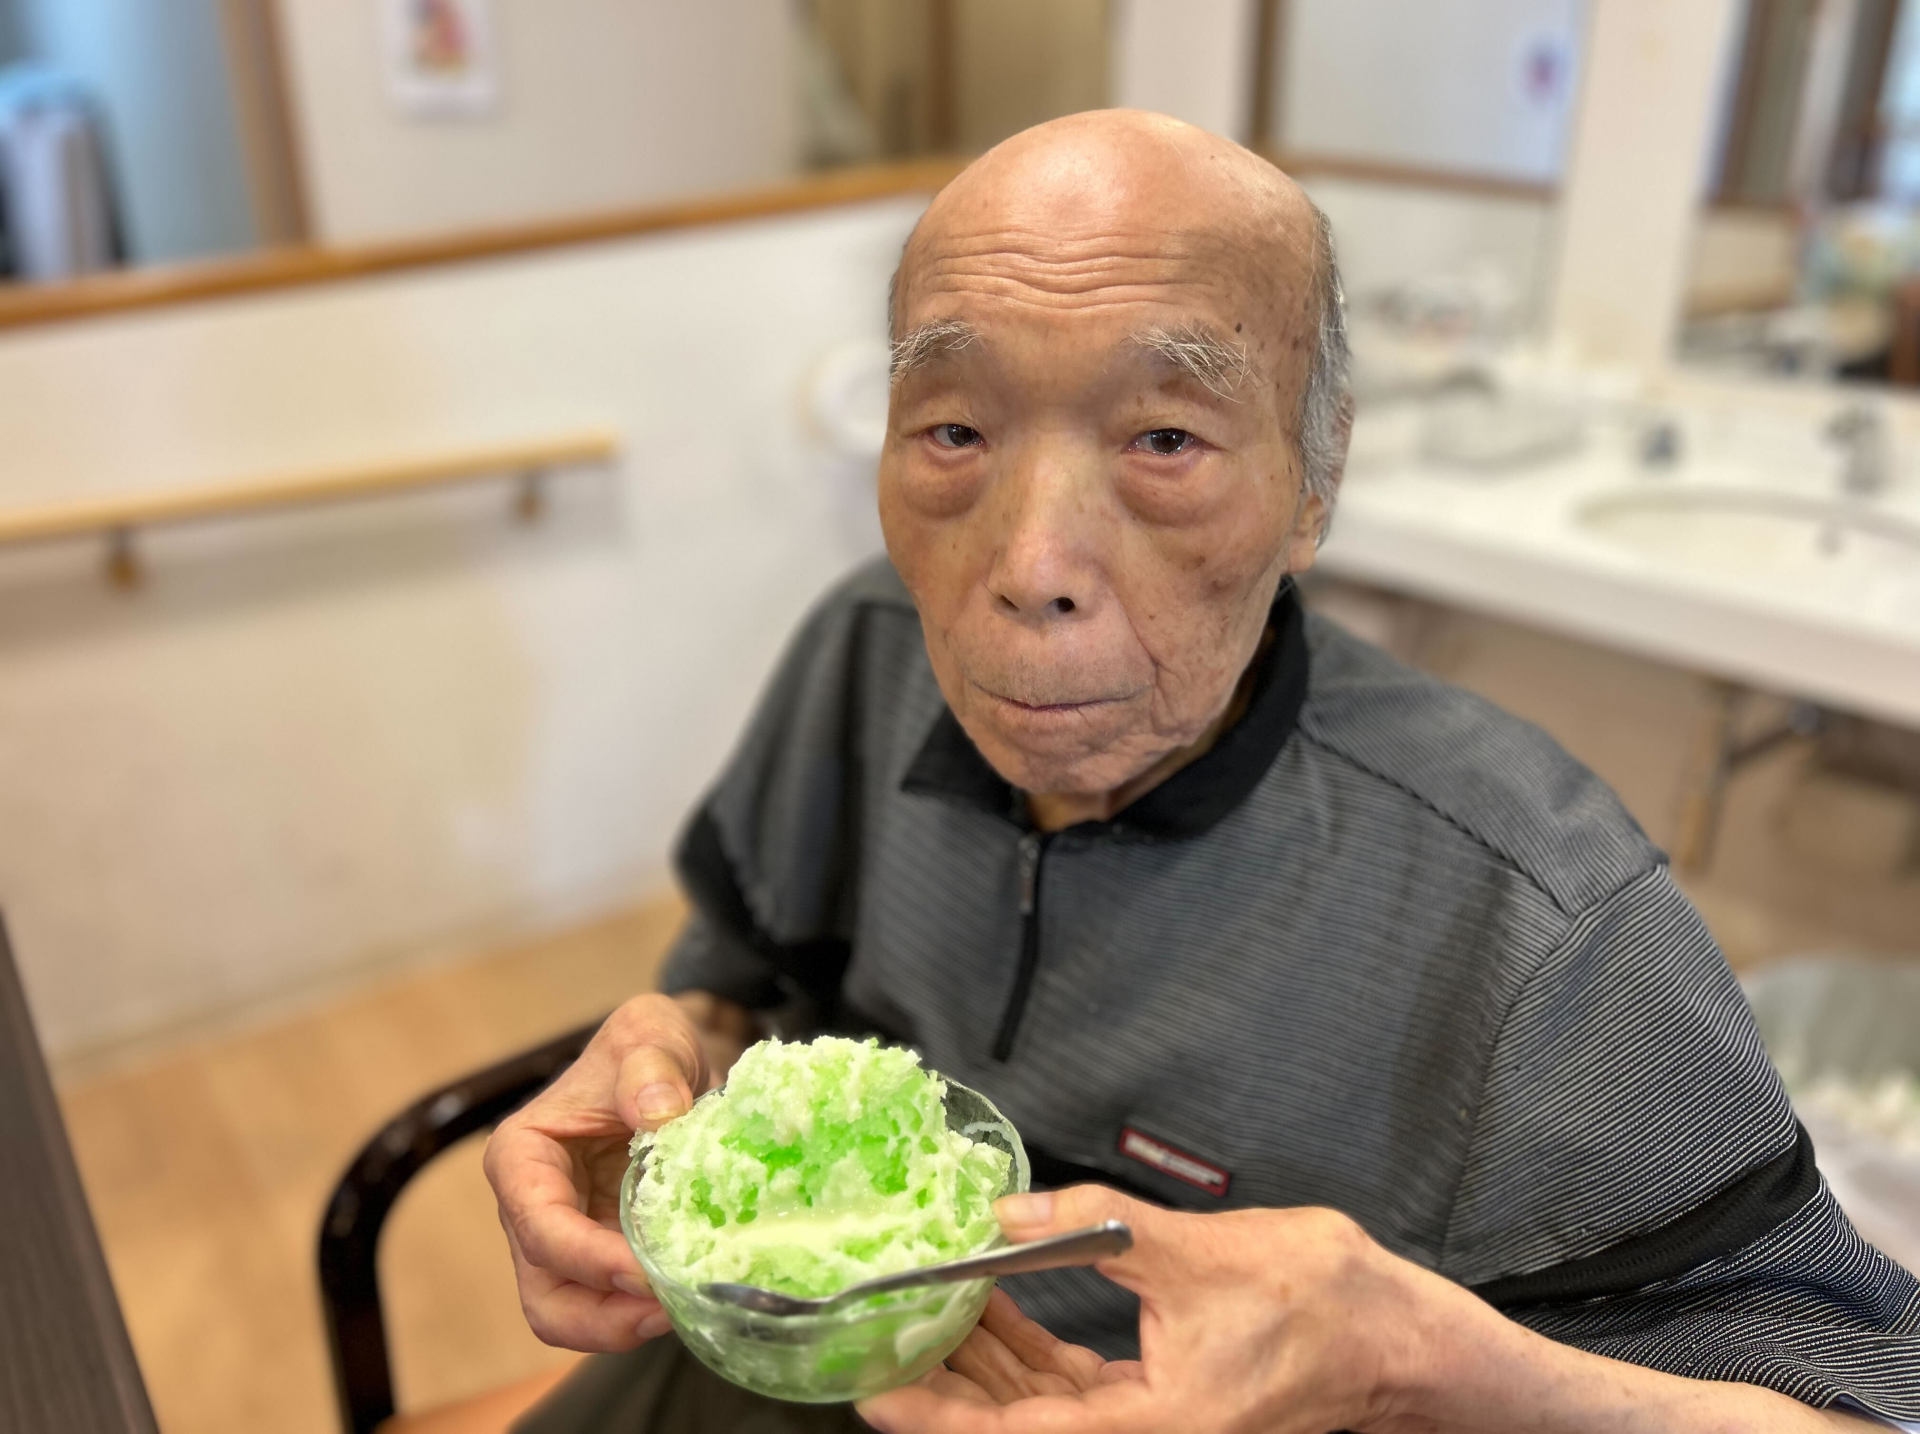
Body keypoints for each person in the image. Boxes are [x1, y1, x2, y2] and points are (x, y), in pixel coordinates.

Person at [486, 110, 1920, 1433]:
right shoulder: (865, 651)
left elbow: (1864, 1402)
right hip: (798, 1371)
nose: (1031, 566)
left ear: (1314, 478)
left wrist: (1417, 1361)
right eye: (955, 430)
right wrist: (672, 1072)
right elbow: (743, 985)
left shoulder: (1543, 919)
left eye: (1165, 438)